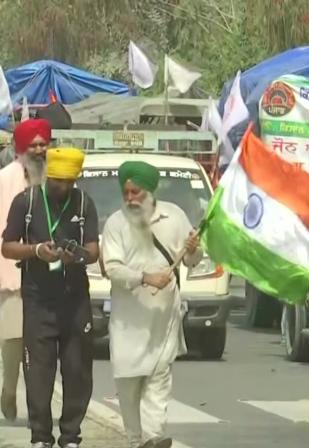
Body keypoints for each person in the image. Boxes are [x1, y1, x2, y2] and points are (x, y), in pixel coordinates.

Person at [1, 147, 100, 448]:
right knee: (39, 373)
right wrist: (36, 251)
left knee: (77, 370)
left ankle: (70, 436)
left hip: (75, 301)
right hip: (38, 300)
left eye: (70, 181)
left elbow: (94, 251)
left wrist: (77, 256)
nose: (65, 188)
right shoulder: (26, 202)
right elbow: (7, 247)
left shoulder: (84, 203)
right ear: (48, 177)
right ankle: (40, 436)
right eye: (59, 181)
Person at [101, 161, 202, 448]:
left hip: (164, 319)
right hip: (127, 322)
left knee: (159, 381)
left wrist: (194, 250)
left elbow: (192, 260)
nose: (131, 198)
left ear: (150, 192)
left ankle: (154, 438)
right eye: (126, 192)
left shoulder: (175, 217)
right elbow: (113, 269)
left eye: (137, 192)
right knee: (130, 387)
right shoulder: (115, 224)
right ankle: (136, 441)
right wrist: (145, 278)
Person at [0, 118, 52, 421]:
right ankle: (9, 389)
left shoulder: (56, 177)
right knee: (14, 342)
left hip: (50, 276)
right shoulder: (3, 181)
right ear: (21, 148)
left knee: (43, 346)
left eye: (43, 143)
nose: (39, 149)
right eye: (33, 144)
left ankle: (37, 405)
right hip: (14, 276)